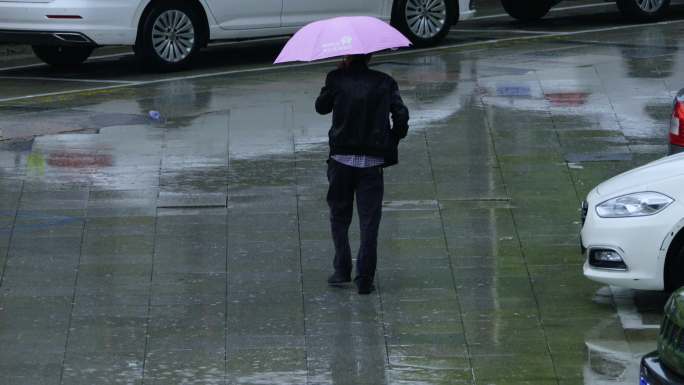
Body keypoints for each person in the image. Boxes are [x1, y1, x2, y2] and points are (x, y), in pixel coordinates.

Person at [315, 54, 409, 295]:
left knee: (339, 216)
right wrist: (393, 139)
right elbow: (401, 116)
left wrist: (335, 77)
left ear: (347, 56)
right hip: (372, 162)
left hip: (341, 160)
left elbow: (321, 108)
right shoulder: (384, 82)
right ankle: (365, 278)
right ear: (370, 56)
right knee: (369, 222)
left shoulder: (336, 79)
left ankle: (341, 270)